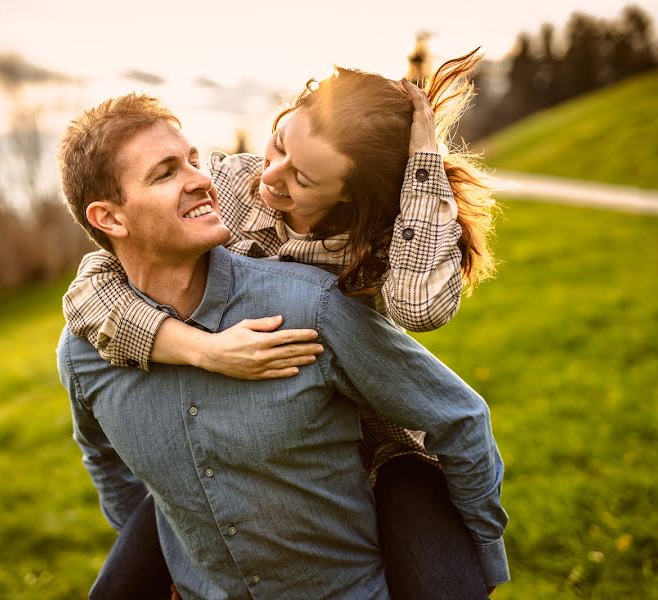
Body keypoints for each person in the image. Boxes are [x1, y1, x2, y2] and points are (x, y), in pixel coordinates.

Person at [56, 91, 508, 599]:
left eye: (304, 179)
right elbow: (91, 291)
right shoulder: (230, 186)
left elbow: (427, 327)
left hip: (378, 441)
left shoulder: (331, 287)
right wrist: (203, 350)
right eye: (167, 171)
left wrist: (421, 158)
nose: (271, 177)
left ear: (345, 195)